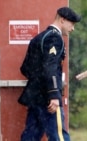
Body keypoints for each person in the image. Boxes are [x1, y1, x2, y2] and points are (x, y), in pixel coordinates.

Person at [18, 7, 81, 141]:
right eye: (72, 24)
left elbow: (25, 68)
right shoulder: (55, 38)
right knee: (58, 136)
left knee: (30, 136)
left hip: (35, 97)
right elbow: (50, 66)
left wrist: (38, 82)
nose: (73, 28)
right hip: (48, 99)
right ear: (62, 20)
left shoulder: (38, 38)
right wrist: (53, 94)